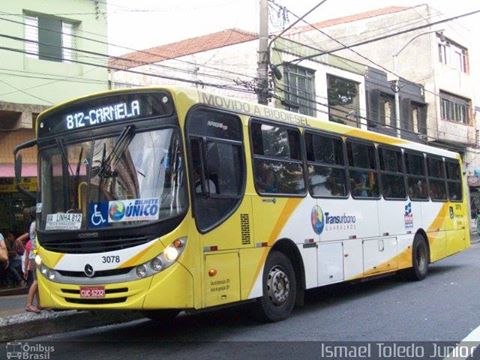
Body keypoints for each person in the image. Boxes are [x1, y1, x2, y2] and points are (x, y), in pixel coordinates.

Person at [25, 210, 41, 313]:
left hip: (34, 255)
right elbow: (35, 245)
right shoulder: (36, 225)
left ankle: (39, 304)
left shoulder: (33, 224)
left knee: (38, 280)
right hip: (35, 256)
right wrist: (37, 254)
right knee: (37, 280)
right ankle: (29, 304)